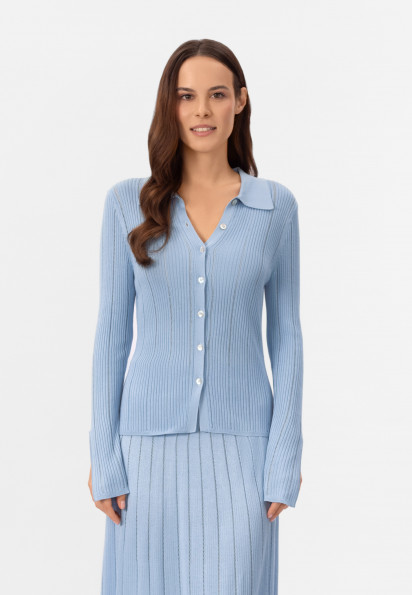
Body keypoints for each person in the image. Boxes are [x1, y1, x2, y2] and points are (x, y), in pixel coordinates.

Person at [88, 38, 304, 595]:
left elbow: (286, 336)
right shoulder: (127, 203)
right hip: (144, 454)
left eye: (217, 95)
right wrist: (104, 454)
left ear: (241, 101)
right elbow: (112, 334)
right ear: (171, 104)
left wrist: (284, 453)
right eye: (186, 96)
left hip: (245, 451)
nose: (202, 110)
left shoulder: (275, 208)